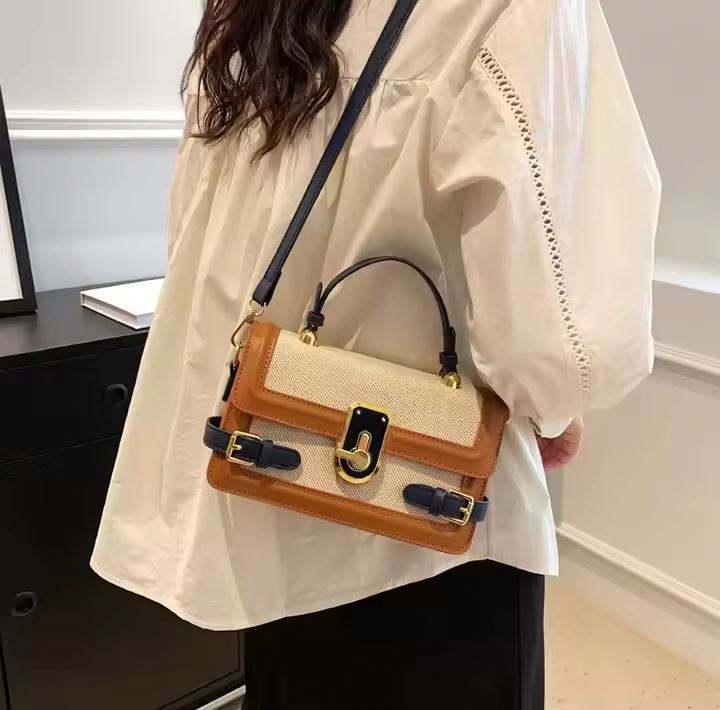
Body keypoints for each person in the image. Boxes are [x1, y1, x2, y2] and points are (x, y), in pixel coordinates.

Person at [90, 0, 660, 707]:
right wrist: (558, 409)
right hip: (435, 529)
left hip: (270, 489)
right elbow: (554, 332)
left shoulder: (243, 15)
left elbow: (194, 239)